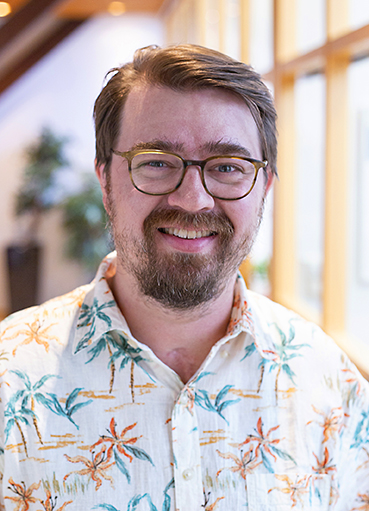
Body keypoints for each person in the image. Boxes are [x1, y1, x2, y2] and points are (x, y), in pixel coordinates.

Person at [0, 44, 368, 511]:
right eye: (156, 162)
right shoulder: (9, 380)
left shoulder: (331, 388)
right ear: (105, 181)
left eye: (228, 168)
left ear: (264, 189)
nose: (194, 201)